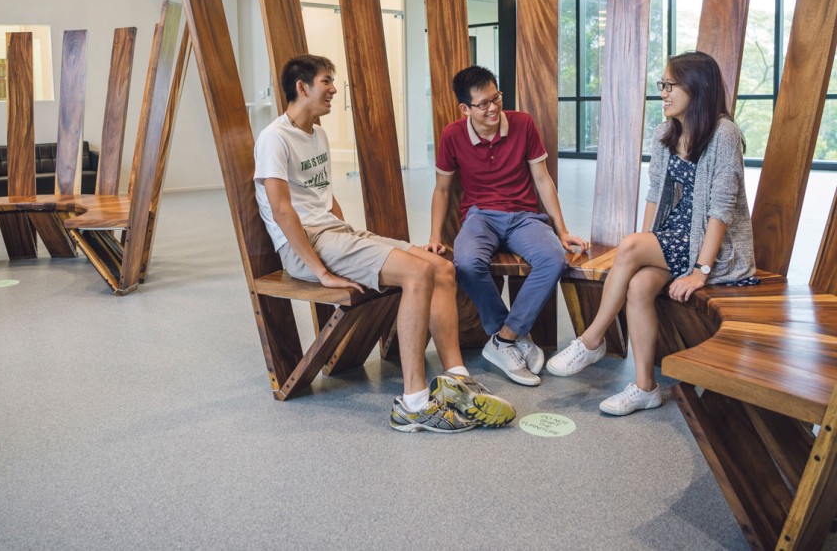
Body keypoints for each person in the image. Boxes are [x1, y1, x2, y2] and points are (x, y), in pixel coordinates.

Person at [253, 54, 515, 433]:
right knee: (418, 273)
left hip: (334, 234)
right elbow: (282, 211)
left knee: (440, 265)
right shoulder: (274, 139)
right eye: (326, 81)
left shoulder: (317, 134)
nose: (333, 89)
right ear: (302, 87)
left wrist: (352, 236)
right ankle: (413, 402)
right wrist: (321, 272)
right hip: (306, 247)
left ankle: (457, 379)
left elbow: (324, 199)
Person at [546, 51, 758, 415]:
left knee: (630, 248)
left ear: (698, 88)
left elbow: (720, 210)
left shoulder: (724, 133)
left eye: (670, 85)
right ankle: (645, 387)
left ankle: (592, 339)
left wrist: (700, 271)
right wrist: (645, 248)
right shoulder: (666, 133)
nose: (663, 92)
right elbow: (654, 193)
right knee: (639, 284)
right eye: (663, 84)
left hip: (711, 249)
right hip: (674, 238)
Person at [427, 66, 588, 386]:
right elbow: (442, 189)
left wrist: (563, 229)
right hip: (480, 216)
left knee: (554, 259)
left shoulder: (523, 124)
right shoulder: (452, 135)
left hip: (524, 217)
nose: (493, 108)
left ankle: (503, 340)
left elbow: (542, 179)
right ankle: (513, 336)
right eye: (483, 103)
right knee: (467, 263)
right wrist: (433, 236)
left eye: (496, 98)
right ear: (465, 108)